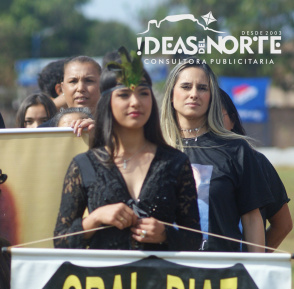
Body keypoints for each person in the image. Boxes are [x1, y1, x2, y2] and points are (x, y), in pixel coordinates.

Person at [54, 48, 201, 251]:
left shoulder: (175, 162)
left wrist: (166, 234)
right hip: (102, 280)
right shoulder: (84, 165)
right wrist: (95, 219)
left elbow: (195, 238)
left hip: (161, 280)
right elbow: (60, 241)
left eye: (143, 93)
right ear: (108, 102)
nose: (135, 102)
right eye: (124, 94)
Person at [160, 60, 272, 252]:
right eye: (186, 87)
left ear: (211, 97)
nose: (194, 94)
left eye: (202, 88)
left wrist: (254, 270)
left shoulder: (237, 149)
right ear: (171, 95)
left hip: (221, 276)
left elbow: (252, 219)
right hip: (165, 273)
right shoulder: (154, 149)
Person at [219, 89, 292, 250]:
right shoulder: (179, 159)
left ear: (232, 121)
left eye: (216, 116)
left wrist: (255, 261)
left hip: (236, 272)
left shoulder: (255, 161)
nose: (209, 123)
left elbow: (283, 224)